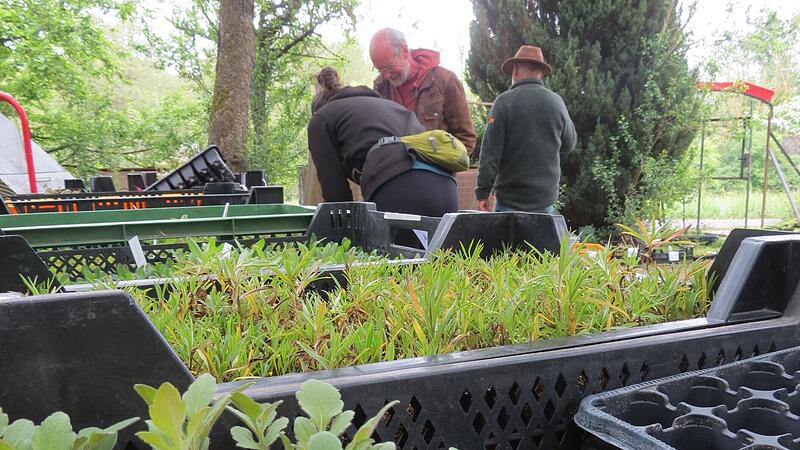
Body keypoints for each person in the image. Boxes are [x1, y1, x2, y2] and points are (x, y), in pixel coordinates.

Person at [307, 67, 458, 223]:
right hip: (445, 187)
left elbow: (337, 196)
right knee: (436, 247)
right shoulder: (389, 106)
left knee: (387, 247)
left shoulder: (321, 119)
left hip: (399, 188)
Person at [475, 45, 577, 214]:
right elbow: (569, 145)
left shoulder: (504, 103)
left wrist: (483, 193)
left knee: (507, 242)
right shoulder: (556, 102)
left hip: (509, 202)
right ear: (541, 74)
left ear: (515, 70)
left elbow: (490, 154)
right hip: (544, 202)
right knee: (539, 242)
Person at [369, 28, 477, 154]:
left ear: (404, 50)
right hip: (394, 171)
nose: (386, 75)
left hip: (435, 172)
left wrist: (440, 168)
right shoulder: (380, 88)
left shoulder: (445, 81)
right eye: (380, 70)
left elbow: (466, 139)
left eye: (388, 67)